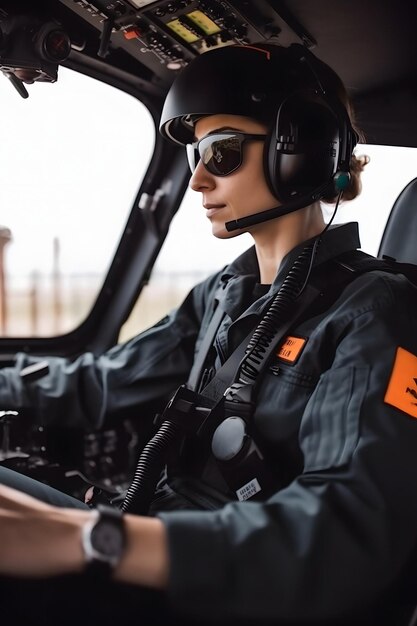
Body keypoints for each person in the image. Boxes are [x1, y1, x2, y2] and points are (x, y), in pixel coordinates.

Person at [1, 41, 417, 626]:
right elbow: (102, 381)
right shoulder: (225, 293)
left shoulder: (375, 312)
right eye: (197, 153)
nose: (197, 179)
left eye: (220, 153)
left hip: (235, 589)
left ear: (299, 151)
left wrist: (89, 538)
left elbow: (340, 534)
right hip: (159, 539)